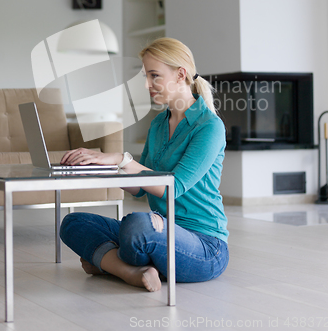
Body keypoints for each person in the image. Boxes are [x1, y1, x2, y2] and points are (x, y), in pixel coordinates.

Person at [59, 37, 229, 292]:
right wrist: (100, 167)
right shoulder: (159, 124)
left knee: (137, 227)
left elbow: (175, 186)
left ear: (181, 74)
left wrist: (121, 159)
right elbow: (140, 188)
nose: (148, 84)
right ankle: (130, 271)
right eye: (145, 77)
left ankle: (108, 262)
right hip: (159, 226)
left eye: (154, 76)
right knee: (73, 223)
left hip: (204, 245)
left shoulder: (209, 126)